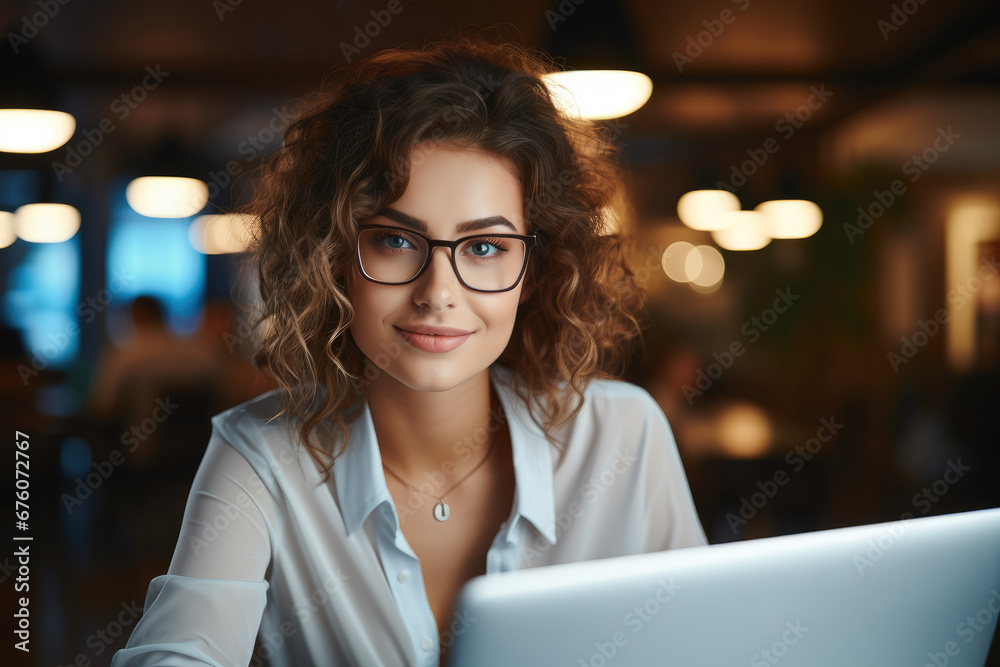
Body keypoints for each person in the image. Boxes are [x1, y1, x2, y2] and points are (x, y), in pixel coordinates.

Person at [112, 36, 707, 667]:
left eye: (484, 248)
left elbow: (713, 646)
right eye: (396, 239)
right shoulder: (261, 454)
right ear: (335, 258)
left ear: (535, 271)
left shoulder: (624, 434)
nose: (438, 294)